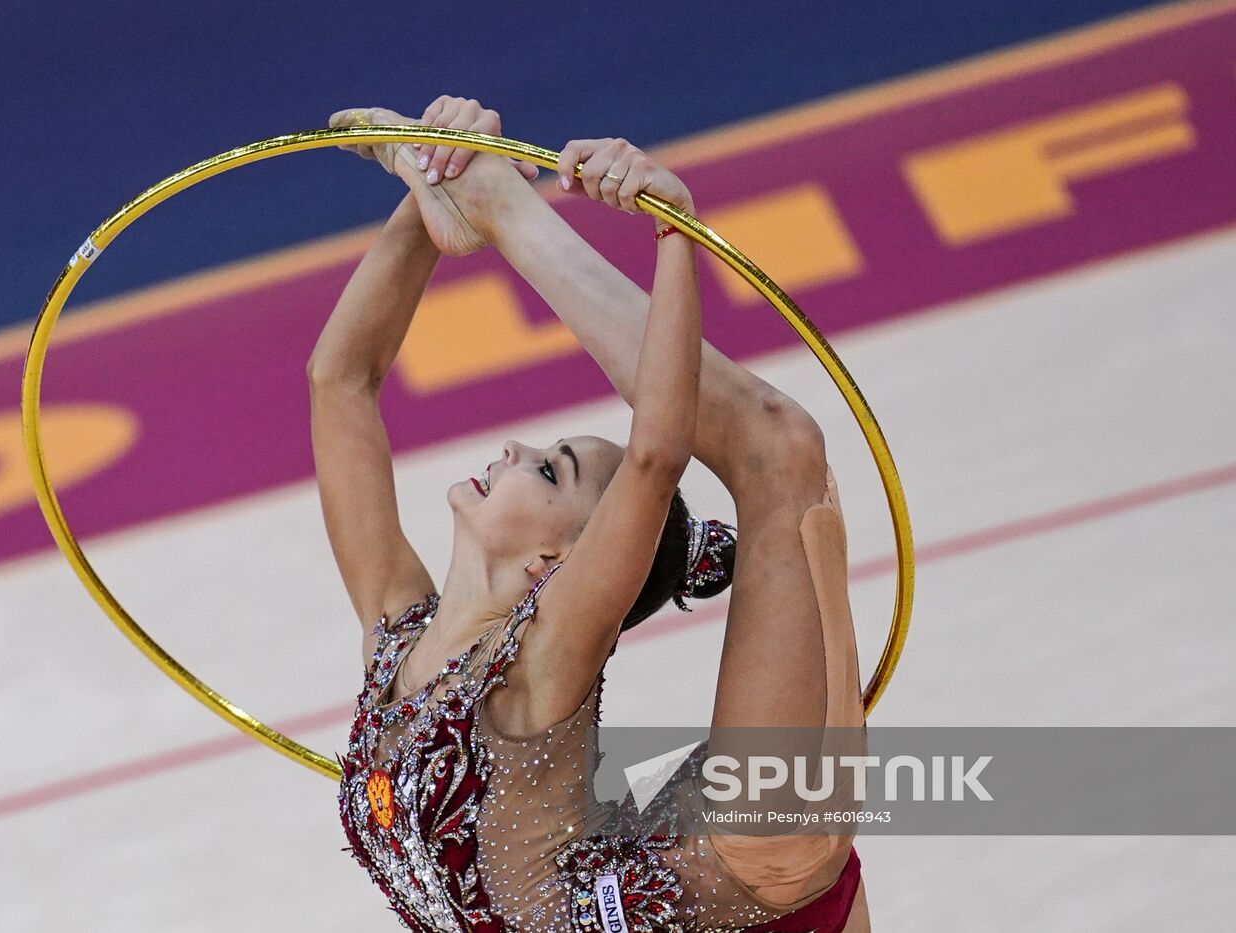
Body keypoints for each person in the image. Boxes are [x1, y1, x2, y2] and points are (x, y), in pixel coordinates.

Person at [309, 96, 870, 932]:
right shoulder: (395, 632)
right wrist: (427, 184)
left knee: (779, 447)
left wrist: (676, 237)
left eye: (547, 468)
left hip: (747, 873)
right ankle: (495, 199)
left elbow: (655, 455)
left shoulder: (540, 654)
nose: (509, 447)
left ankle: (507, 203)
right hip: (654, 896)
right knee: (777, 447)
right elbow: (339, 379)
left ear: (563, 561)